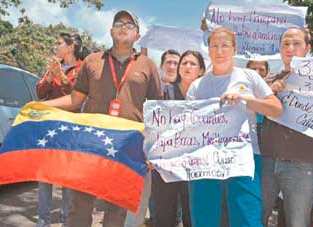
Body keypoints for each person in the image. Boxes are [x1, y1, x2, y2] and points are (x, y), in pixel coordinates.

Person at [42, 10, 163, 227]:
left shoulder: (148, 65)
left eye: (129, 24)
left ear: (137, 35)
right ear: (111, 30)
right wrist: (42, 106)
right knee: (78, 206)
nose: (123, 26)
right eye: (119, 22)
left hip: (127, 148)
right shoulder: (92, 60)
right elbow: (75, 99)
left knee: (116, 212)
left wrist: (153, 148)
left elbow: (157, 111)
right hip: (90, 145)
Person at [186, 27, 282, 227]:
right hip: (205, 160)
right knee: (204, 218)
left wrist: (244, 100)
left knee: (246, 217)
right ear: (208, 50)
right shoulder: (197, 86)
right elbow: (187, 126)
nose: (219, 51)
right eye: (214, 46)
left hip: (244, 156)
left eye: (225, 46)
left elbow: (275, 109)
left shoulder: (249, 77)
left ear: (234, 49)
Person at [260, 27, 313, 227]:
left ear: (307, 48)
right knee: (255, 219)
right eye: (285, 44)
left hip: (303, 165)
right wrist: (269, 94)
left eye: (296, 44)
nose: (290, 48)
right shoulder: (266, 82)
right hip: (266, 162)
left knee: (298, 223)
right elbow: (251, 114)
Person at [35, 32, 88, 227]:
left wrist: (62, 76)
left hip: (71, 130)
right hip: (50, 128)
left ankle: (68, 221)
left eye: (59, 43)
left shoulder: (83, 67)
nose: (55, 46)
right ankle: (43, 222)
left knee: (67, 180)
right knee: (44, 177)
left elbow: (77, 97)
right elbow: (40, 92)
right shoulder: (53, 65)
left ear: (70, 47)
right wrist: (50, 75)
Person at [152, 50, 206, 227]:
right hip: (166, 164)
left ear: (201, 70)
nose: (187, 67)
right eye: (184, 63)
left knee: (193, 213)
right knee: (163, 214)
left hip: (195, 167)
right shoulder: (164, 92)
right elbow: (153, 126)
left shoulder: (208, 97)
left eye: (192, 64)